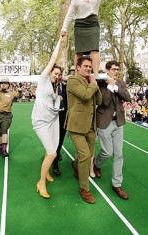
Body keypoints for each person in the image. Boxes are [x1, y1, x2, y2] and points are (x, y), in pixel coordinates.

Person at [60, 0, 116, 75]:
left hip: (93, 24)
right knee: (79, 52)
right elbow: (70, 14)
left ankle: (96, 75)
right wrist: (64, 28)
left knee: (94, 50)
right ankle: (77, 74)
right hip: (80, 25)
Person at [31, 34, 65, 199]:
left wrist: (57, 98)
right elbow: (53, 57)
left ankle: (47, 174)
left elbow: (52, 98)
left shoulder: (52, 87)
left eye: (59, 74)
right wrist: (60, 39)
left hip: (52, 120)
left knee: (49, 149)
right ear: (50, 71)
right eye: (55, 72)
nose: (57, 75)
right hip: (41, 122)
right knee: (52, 153)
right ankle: (41, 182)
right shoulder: (44, 79)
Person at [65, 57, 102, 204]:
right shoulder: (72, 80)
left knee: (87, 155)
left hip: (91, 126)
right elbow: (86, 96)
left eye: (90, 66)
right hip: (76, 126)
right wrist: (93, 84)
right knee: (86, 156)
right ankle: (84, 189)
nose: (88, 68)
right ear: (78, 67)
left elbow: (98, 101)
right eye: (85, 66)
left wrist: (95, 86)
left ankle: (75, 165)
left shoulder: (89, 82)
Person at [93, 60, 131, 200]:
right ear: (107, 70)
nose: (116, 71)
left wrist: (115, 87)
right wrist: (109, 86)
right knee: (107, 152)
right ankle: (96, 164)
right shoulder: (101, 83)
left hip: (118, 122)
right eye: (114, 69)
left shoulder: (120, 83)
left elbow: (127, 97)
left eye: (118, 69)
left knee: (119, 154)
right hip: (104, 122)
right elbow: (104, 102)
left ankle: (117, 184)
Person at [0, 77, 21, 158]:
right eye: (2, 83)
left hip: (6, 115)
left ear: (8, 85)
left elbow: (18, 96)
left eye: (5, 83)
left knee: (4, 132)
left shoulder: (12, 93)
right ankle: (1, 147)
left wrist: (20, 91)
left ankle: (4, 150)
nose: (3, 85)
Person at [52, 69, 68, 176]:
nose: (59, 76)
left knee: (60, 139)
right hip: (51, 116)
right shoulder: (49, 86)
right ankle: (55, 163)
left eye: (60, 74)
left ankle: (56, 157)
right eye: (57, 74)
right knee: (53, 140)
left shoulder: (66, 87)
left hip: (63, 116)